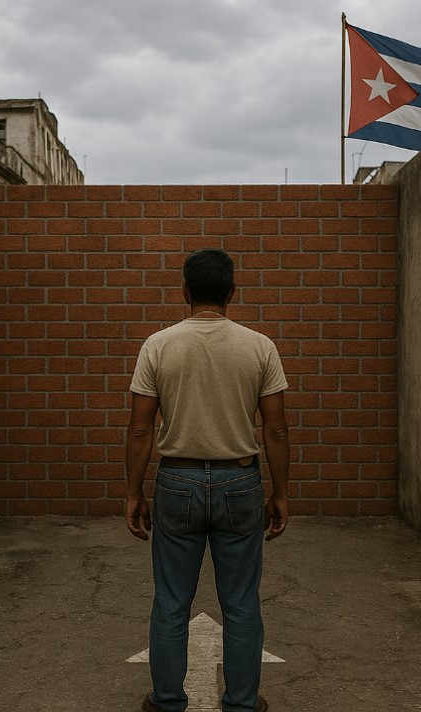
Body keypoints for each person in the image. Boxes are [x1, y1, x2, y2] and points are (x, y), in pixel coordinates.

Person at [125, 248, 290, 712]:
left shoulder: (158, 345)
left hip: (176, 483)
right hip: (240, 483)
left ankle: (167, 702)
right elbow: (275, 429)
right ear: (232, 293)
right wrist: (280, 493)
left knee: (172, 600)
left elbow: (140, 428)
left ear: (185, 292)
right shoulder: (259, 347)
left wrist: (134, 493)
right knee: (241, 602)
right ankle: (240, 703)